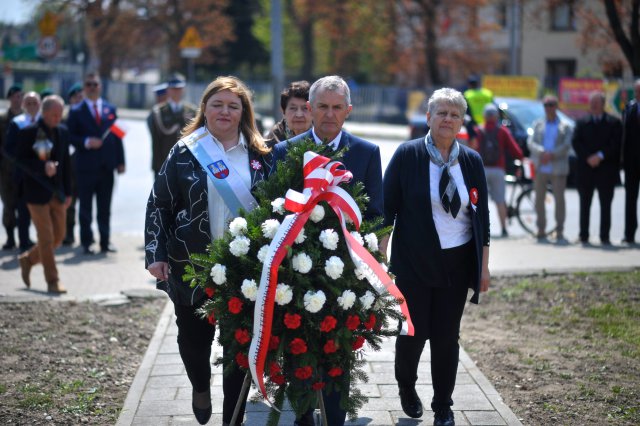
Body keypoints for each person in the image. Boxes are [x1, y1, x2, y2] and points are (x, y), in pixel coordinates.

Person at [145, 76, 274, 426]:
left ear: (244, 112)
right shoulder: (185, 151)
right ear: (205, 108)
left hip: (245, 270)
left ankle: (232, 417)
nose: (225, 111)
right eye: (217, 104)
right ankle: (200, 386)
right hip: (190, 264)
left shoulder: (261, 156)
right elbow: (160, 204)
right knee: (194, 340)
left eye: (233, 105)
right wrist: (155, 252)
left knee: (239, 349)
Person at [272, 75, 384, 425]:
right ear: (309, 108)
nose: (329, 114)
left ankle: (335, 418)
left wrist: (375, 266)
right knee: (298, 347)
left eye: (337, 107)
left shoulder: (366, 153)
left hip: (346, 274)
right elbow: (273, 209)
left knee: (338, 351)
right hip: (295, 271)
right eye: (322, 106)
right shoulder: (285, 151)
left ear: (348, 111)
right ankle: (303, 415)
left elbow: (377, 217)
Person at [380, 87, 490, 426]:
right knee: (414, 333)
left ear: (462, 122)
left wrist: (483, 269)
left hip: (457, 264)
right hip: (414, 261)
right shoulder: (407, 155)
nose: (447, 119)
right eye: (441, 112)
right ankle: (407, 388)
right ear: (428, 117)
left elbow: (481, 219)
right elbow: (387, 212)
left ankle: (443, 404)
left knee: (446, 337)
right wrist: (381, 261)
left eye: (454, 114)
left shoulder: (471, 160)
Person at [16, 95, 72, 294]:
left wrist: (69, 192)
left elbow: (66, 163)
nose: (57, 118)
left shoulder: (63, 132)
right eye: (54, 114)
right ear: (44, 112)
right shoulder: (28, 132)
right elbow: (19, 161)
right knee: (46, 239)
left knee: (58, 237)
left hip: (57, 194)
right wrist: (42, 166)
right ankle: (53, 281)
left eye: (60, 114)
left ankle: (29, 259)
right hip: (35, 194)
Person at [66, 72, 125, 255]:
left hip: (107, 167)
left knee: (104, 208)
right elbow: (70, 136)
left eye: (95, 84)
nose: (92, 87)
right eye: (89, 84)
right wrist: (85, 141)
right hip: (85, 167)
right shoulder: (76, 111)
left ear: (100, 86)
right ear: (84, 88)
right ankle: (86, 242)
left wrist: (121, 161)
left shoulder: (110, 108)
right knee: (85, 207)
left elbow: (117, 136)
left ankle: (105, 242)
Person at [572, 91, 622, 246]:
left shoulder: (614, 122)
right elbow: (576, 142)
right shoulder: (581, 122)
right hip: (586, 170)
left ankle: (604, 236)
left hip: (605, 170)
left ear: (603, 104)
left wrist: (600, 156)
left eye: (596, 102)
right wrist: (588, 157)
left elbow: (616, 144)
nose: (593, 105)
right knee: (584, 204)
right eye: (591, 102)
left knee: (605, 204)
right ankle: (584, 235)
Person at [527, 95, 573, 242]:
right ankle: (541, 229)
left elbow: (566, 145)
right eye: (546, 105)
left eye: (551, 105)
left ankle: (559, 230)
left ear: (556, 106)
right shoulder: (538, 124)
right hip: (541, 166)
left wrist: (552, 154)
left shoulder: (565, 125)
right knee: (539, 199)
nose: (548, 108)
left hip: (558, 167)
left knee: (559, 199)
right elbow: (531, 142)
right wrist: (542, 152)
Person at [475, 103, 523, 237]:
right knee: (500, 200)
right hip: (498, 169)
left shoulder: (479, 130)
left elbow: (472, 149)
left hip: (481, 170)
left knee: (478, 201)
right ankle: (504, 229)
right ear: (496, 116)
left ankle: (479, 229)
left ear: (484, 116)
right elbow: (515, 150)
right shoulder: (502, 131)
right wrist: (520, 159)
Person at [5, 91, 41, 252]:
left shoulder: (45, 121)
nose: (32, 106)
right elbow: (9, 148)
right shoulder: (17, 123)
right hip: (23, 174)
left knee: (42, 213)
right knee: (23, 211)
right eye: (29, 103)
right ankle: (24, 242)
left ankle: (44, 243)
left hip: (42, 176)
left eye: (35, 103)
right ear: (24, 105)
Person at [148, 73, 197, 176]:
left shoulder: (192, 111)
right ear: (168, 90)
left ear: (183, 89)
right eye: (173, 89)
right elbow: (156, 141)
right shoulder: (159, 112)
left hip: (186, 164)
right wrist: (157, 166)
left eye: (179, 88)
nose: (176, 92)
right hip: (164, 162)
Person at [0, 84, 24, 250]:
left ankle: (24, 237)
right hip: (5, 170)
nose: (18, 99)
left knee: (24, 205)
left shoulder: (26, 119)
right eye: (15, 96)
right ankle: (10, 237)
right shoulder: (2, 119)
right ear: (9, 98)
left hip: (24, 170)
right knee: (9, 205)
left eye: (21, 96)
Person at [61, 83, 84, 246]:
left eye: (81, 96)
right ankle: (68, 232)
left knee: (86, 203)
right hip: (67, 165)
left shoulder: (87, 115)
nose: (79, 99)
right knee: (69, 201)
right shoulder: (63, 116)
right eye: (76, 97)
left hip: (84, 165)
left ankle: (85, 235)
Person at [265, 80, 312, 145]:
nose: (299, 114)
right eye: (293, 108)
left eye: (305, 108)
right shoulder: (274, 137)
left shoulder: (321, 133)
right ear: (283, 111)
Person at [622, 79, 640, 244]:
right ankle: (629, 234)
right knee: (630, 198)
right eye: (636, 91)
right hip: (631, 161)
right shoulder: (630, 108)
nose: (638, 94)